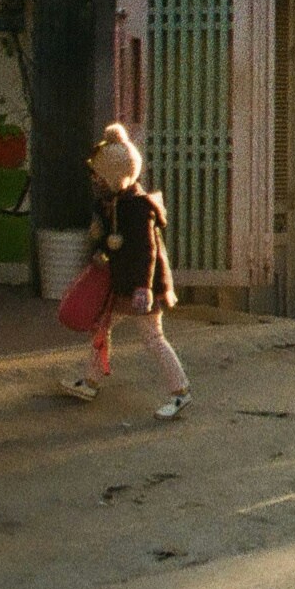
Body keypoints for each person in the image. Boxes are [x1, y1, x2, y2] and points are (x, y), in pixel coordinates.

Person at [60, 124, 188, 417]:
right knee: (101, 326)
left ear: (114, 176)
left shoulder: (136, 208)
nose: (94, 180)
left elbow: (147, 251)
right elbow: (116, 243)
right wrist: (103, 250)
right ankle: (89, 381)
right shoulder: (115, 203)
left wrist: (143, 287)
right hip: (124, 284)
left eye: (99, 175)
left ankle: (180, 391)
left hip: (142, 287)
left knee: (153, 338)